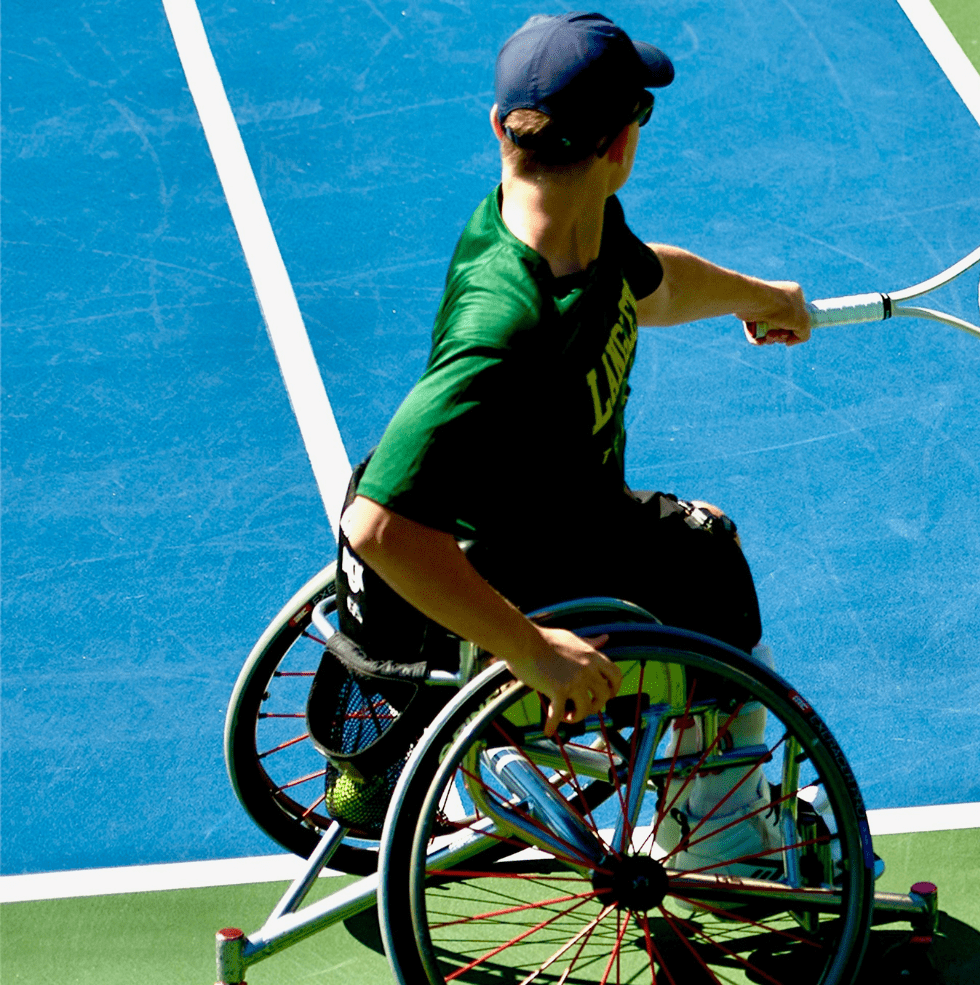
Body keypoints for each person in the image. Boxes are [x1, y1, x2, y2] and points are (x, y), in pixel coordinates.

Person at [333, 13, 809, 856]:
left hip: (552, 509)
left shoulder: (574, 228)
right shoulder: (506, 322)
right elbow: (378, 527)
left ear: (502, 129)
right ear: (622, 143)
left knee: (683, 542)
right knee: (709, 561)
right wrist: (531, 650)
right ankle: (720, 831)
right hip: (532, 564)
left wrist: (757, 296)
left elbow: (651, 289)